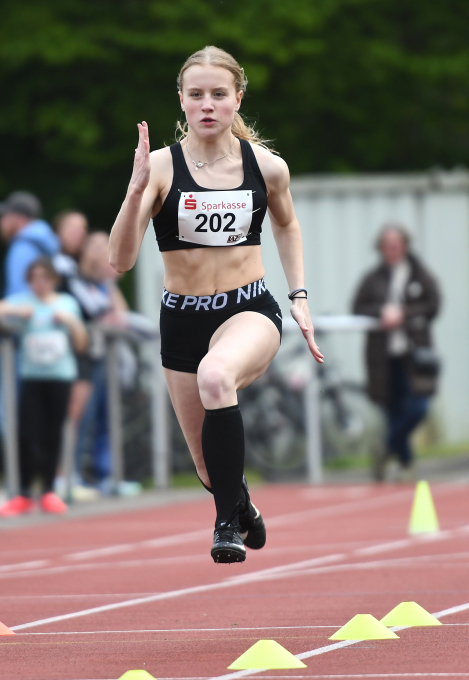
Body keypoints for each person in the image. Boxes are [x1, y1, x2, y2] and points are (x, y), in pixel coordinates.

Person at [108, 46, 323, 563]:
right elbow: (120, 260)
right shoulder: (159, 169)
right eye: (196, 95)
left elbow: (287, 224)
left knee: (215, 377)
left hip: (247, 310)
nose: (208, 105)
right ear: (180, 102)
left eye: (219, 95)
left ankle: (225, 525)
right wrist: (135, 193)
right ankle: (239, 502)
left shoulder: (267, 167)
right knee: (209, 468)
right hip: (180, 319)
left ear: (237, 99)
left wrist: (298, 296)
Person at [0, 257, 88, 516]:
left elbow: (81, 342)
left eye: (44, 277)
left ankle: (48, 490)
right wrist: (14, 312)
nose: (39, 283)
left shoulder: (67, 304)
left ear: (53, 280)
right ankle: (23, 492)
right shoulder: (23, 301)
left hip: (61, 375)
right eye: (34, 278)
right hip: (31, 376)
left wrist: (70, 321)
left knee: (53, 432)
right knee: (27, 433)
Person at [353, 223, 441, 482]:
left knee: (418, 407)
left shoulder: (419, 274)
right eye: (387, 245)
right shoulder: (372, 278)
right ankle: (405, 464)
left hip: (414, 357)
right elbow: (358, 307)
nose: (392, 249)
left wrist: (404, 313)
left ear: (404, 245)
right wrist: (382, 312)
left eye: (396, 244)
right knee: (392, 409)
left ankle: (386, 447)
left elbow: (433, 304)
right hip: (383, 358)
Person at [66, 232, 128, 493]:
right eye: (96, 246)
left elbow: (121, 317)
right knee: (83, 417)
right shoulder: (73, 278)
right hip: (81, 359)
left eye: (105, 246)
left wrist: (111, 281)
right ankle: (73, 474)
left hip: (103, 357)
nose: (101, 252)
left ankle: (107, 476)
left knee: (106, 416)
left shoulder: (103, 284)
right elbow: (93, 312)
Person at [0, 191, 59, 298]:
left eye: (5, 216)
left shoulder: (22, 247)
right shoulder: (44, 241)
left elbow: (17, 294)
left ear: (20, 218)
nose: (0, 223)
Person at [52, 210, 88, 282]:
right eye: (72, 227)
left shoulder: (88, 268)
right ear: (58, 229)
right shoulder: (46, 259)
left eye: (81, 228)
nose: (77, 232)